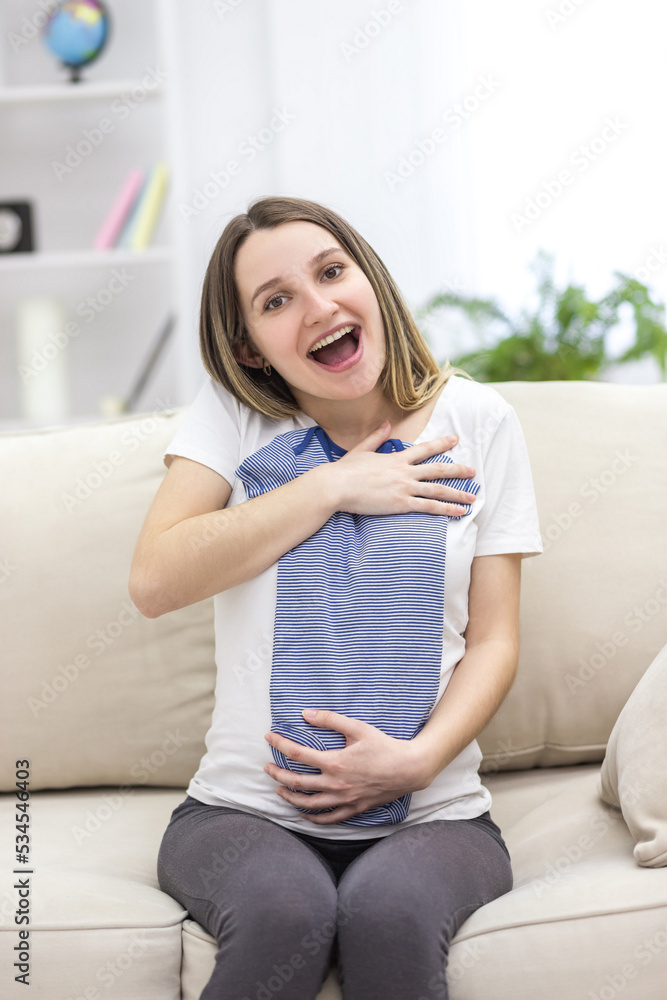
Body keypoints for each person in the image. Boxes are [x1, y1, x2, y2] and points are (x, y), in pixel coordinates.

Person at [129, 195, 543, 1000]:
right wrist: (333, 485)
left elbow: (494, 640)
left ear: (369, 281)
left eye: (330, 272)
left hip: (435, 815)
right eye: (276, 301)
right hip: (238, 815)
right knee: (288, 916)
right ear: (250, 349)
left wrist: (415, 762)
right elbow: (155, 579)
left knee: (386, 916)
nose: (317, 307)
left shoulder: (479, 419)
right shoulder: (234, 420)